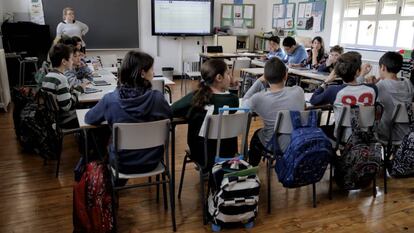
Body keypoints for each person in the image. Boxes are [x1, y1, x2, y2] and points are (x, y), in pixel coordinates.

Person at [85, 51, 171, 175]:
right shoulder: (157, 98)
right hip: (152, 161)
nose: (154, 73)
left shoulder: (110, 99)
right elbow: (169, 116)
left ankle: (112, 187)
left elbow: (89, 118)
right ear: (142, 73)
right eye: (152, 69)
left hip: (121, 164)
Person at [171, 59, 239, 172]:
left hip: (202, 154)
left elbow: (172, 109)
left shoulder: (196, 97)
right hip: (228, 154)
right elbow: (230, 99)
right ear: (219, 77)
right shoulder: (233, 100)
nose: (231, 76)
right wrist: (233, 88)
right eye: (228, 73)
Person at [242, 57, 305, 166]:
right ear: (285, 75)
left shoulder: (259, 98)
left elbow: (244, 104)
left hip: (274, 144)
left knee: (256, 136)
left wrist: (258, 81)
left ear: (265, 77)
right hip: (298, 141)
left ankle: (251, 169)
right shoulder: (299, 91)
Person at [310, 52, 377, 139]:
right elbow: (357, 88)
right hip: (366, 136)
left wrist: (326, 82)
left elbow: (313, 100)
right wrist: (362, 75)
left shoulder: (334, 90)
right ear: (358, 71)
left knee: (321, 127)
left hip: (342, 136)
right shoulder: (373, 89)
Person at [41, 43, 85, 128]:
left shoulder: (47, 76)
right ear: (64, 61)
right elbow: (66, 106)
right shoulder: (61, 79)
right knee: (89, 110)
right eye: (71, 59)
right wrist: (79, 90)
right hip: (64, 119)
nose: (72, 61)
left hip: (52, 118)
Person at [375, 52, 414, 141]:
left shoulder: (380, 86)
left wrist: (372, 86)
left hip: (385, 133)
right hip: (406, 133)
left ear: (383, 67)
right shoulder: (408, 83)